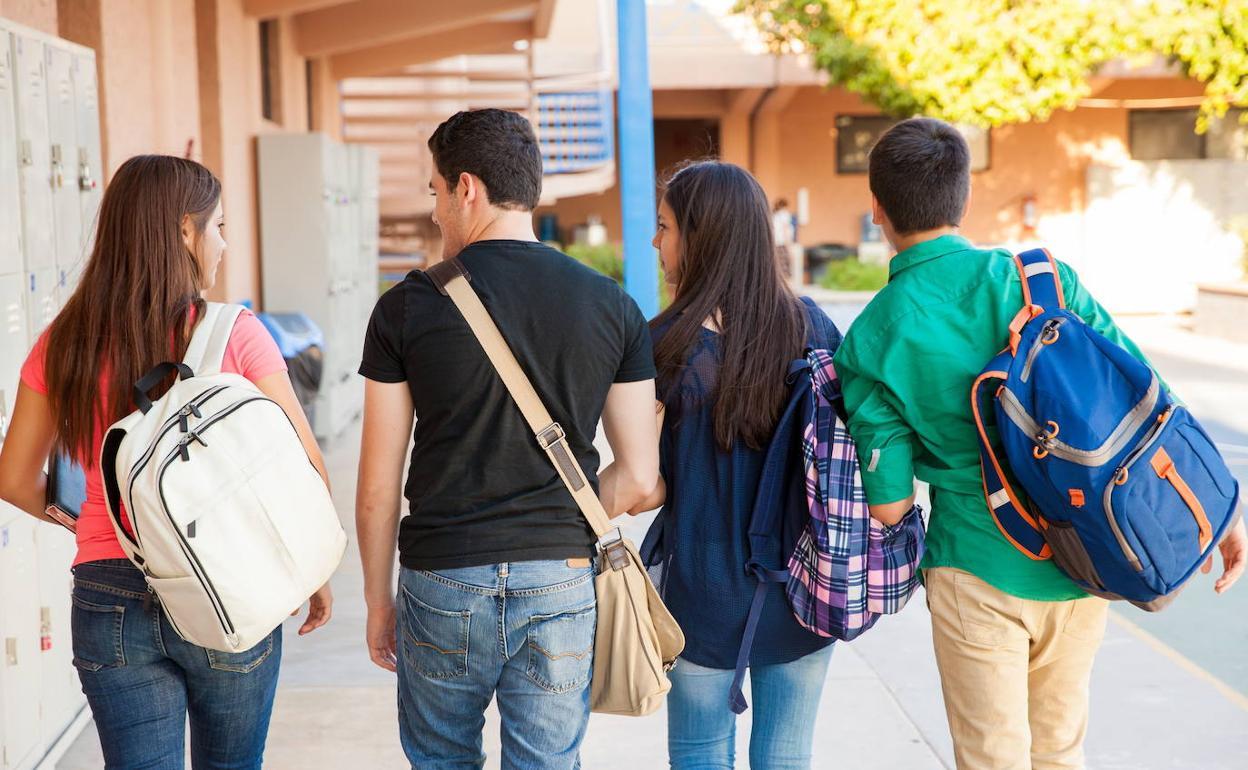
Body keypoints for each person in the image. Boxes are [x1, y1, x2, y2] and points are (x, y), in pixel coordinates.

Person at [833, 117, 1248, 770]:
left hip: (975, 568)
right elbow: (1146, 396)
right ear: (964, 197)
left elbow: (888, 507)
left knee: (992, 759)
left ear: (877, 210)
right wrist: (1215, 510)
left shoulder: (873, 337)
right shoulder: (1042, 280)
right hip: (1083, 556)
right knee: (1059, 754)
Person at [0, 154, 333, 769]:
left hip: (108, 586)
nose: (224, 245)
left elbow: (16, 479)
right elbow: (304, 465)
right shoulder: (235, 333)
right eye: (220, 227)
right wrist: (309, 569)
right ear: (186, 229)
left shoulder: (63, 341)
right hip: (228, 578)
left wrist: (86, 524)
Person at [355, 108, 660, 770]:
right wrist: (552, 521)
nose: (435, 211)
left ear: (466, 188)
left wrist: (379, 602)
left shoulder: (406, 308)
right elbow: (639, 476)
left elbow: (378, 487)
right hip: (560, 578)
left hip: (443, 578)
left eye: (434, 192)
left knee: (441, 760)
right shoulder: (612, 305)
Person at [615, 160, 842, 769]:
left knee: (697, 754)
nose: (656, 242)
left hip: (699, 593)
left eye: (664, 227)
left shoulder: (660, 343)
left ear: (702, 235)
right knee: (788, 754)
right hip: (806, 584)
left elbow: (646, 487)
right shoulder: (814, 328)